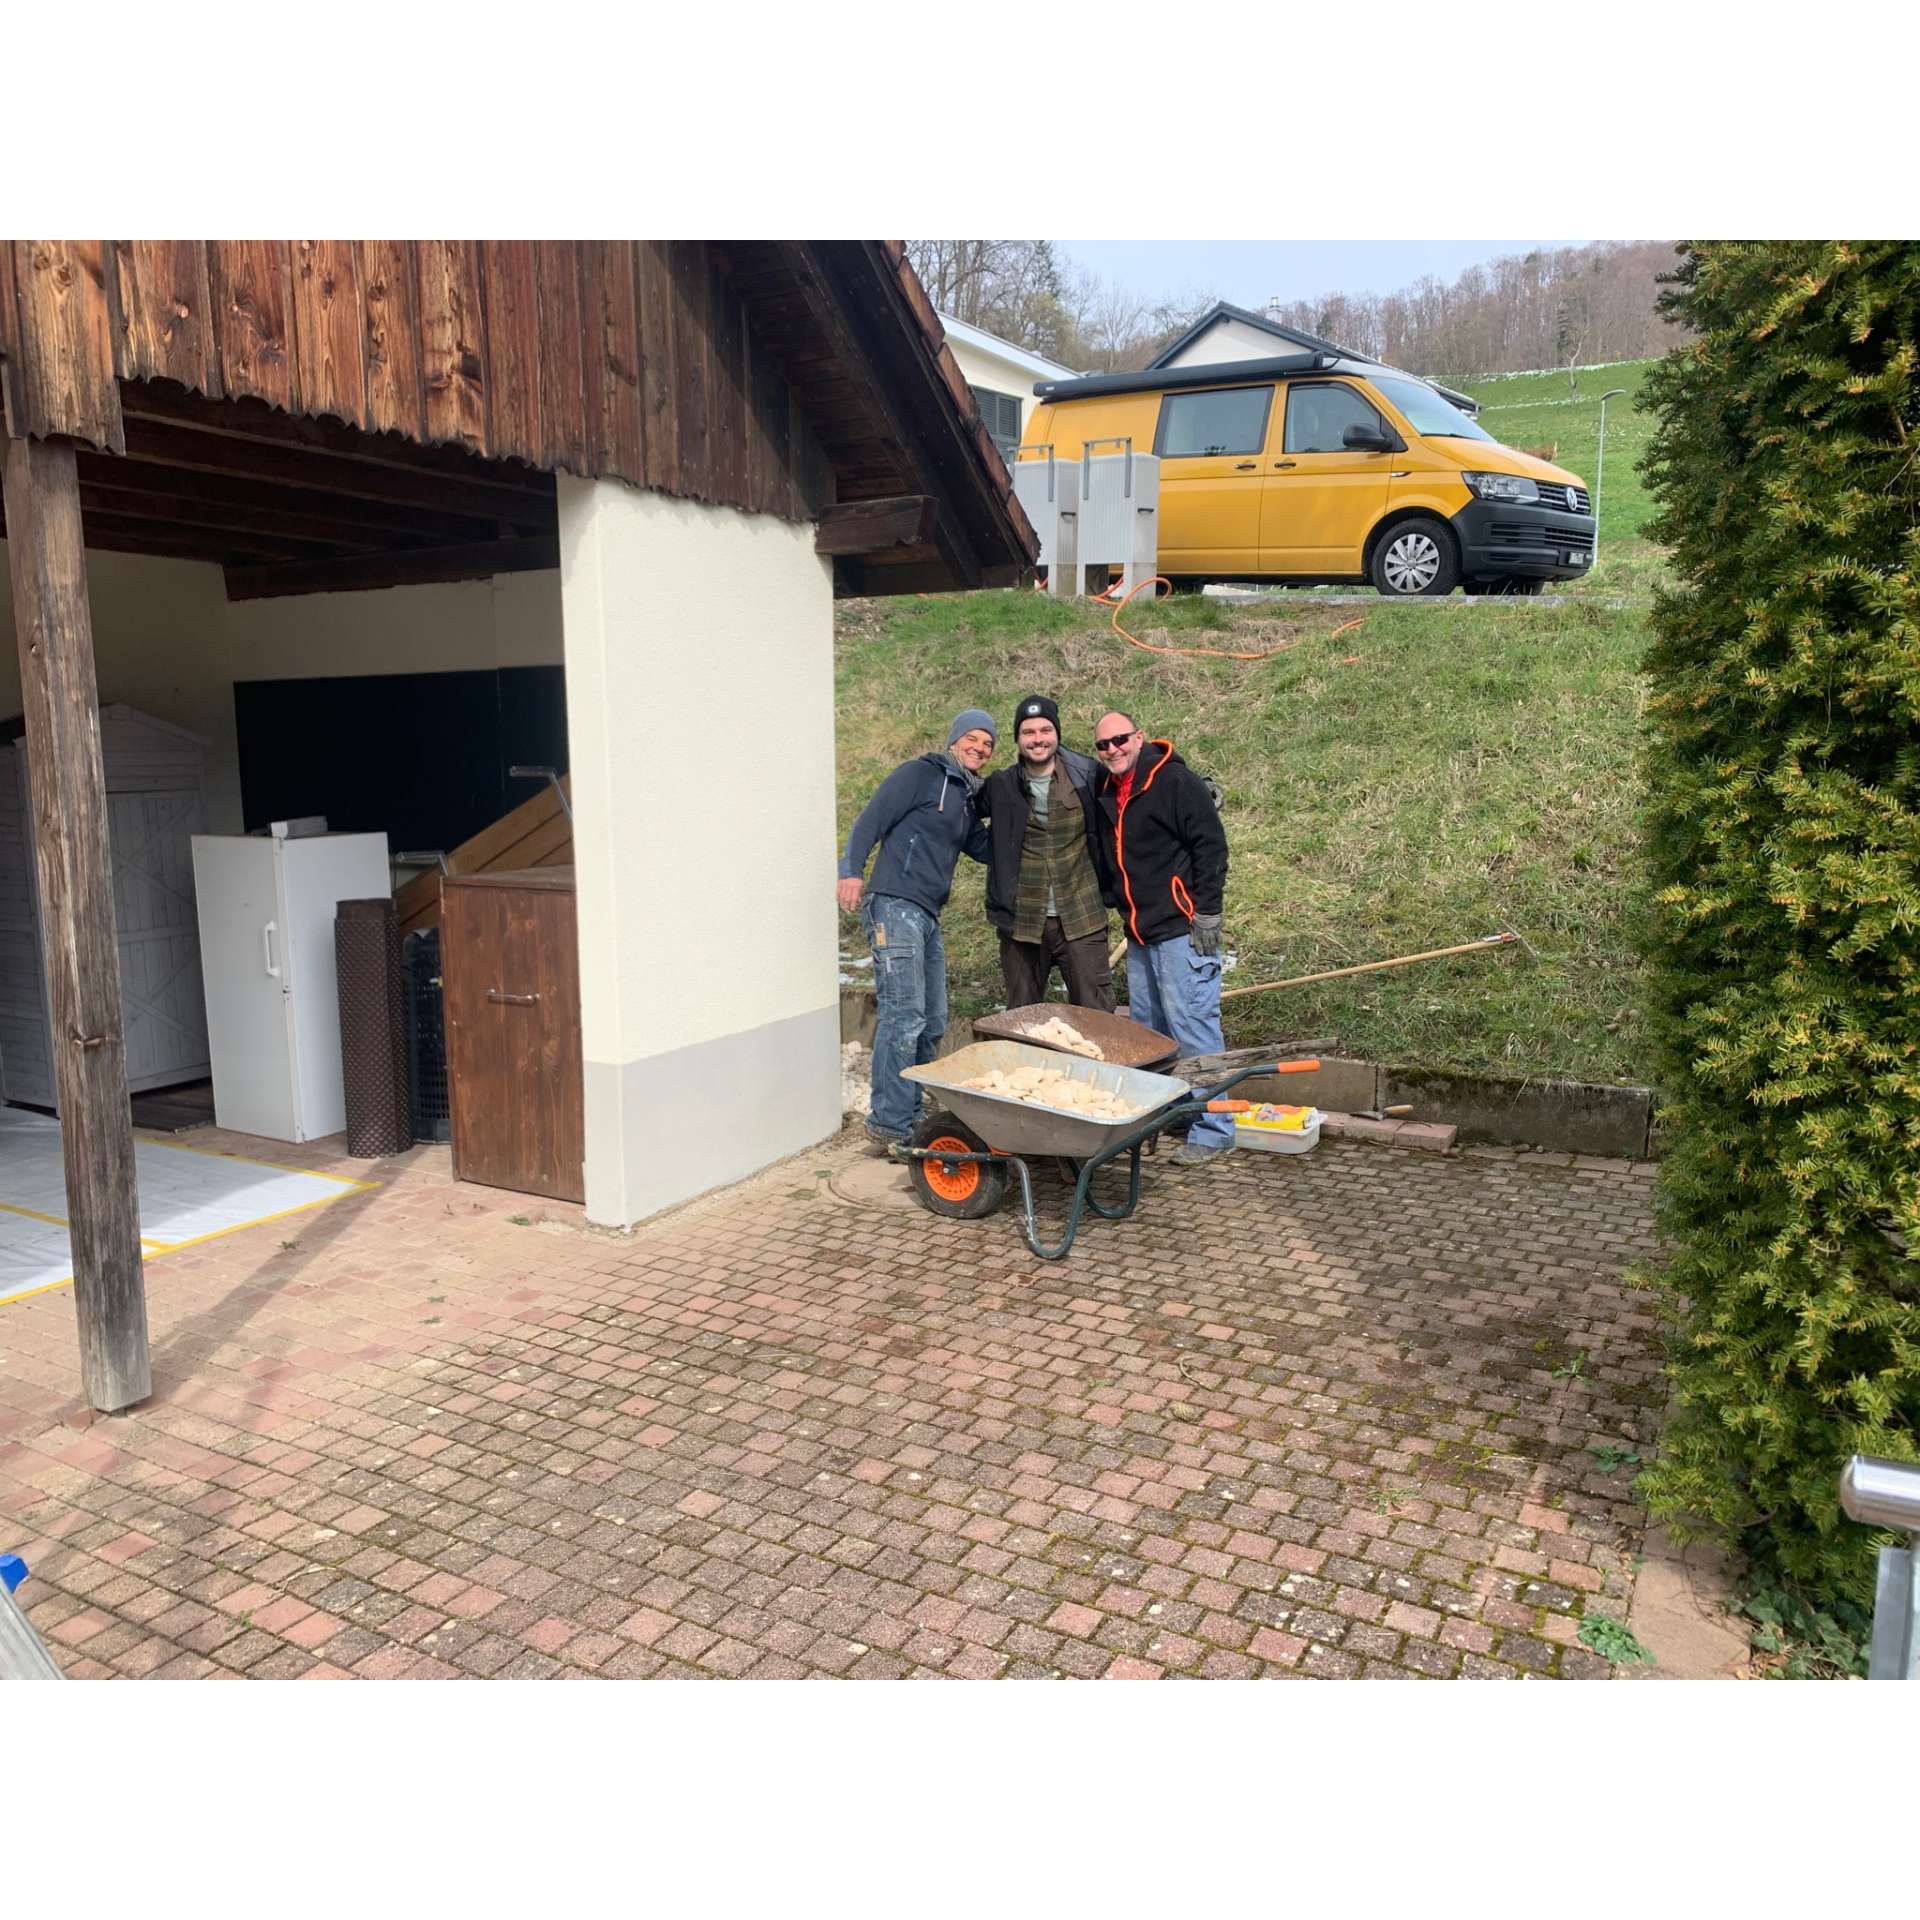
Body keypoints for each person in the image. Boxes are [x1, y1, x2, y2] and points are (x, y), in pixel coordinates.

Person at [837, 709, 996, 1151]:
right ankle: (889, 1125)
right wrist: (850, 870)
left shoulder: (965, 799)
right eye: (973, 738)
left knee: (933, 1020)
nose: (980, 747)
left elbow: (985, 848)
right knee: (904, 1015)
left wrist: (1022, 820)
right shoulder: (921, 775)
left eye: (988, 743)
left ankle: (911, 1114)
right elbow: (871, 819)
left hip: (927, 914)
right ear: (954, 739)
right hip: (893, 903)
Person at [1090, 709, 1233, 1166]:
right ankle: (1179, 1111)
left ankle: (1215, 1130)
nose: (1112, 749)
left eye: (1120, 740)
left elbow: (1211, 846)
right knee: (1151, 1032)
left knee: (1193, 1027)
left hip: (1181, 929)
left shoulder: (1175, 782)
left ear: (1140, 737)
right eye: (1103, 745)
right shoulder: (1108, 788)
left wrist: (1206, 913)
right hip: (1139, 933)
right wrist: (1115, 897)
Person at [975, 693, 1115, 1013]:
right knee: (1023, 1018)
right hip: (1022, 921)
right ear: (1018, 739)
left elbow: (1130, 790)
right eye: (1028, 732)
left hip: (1081, 916)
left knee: (1096, 1016)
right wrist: (988, 850)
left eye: (1045, 730)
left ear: (1056, 734)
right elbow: (961, 811)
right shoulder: (1001, 785)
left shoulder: (1087, 775)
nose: (1037, 739)